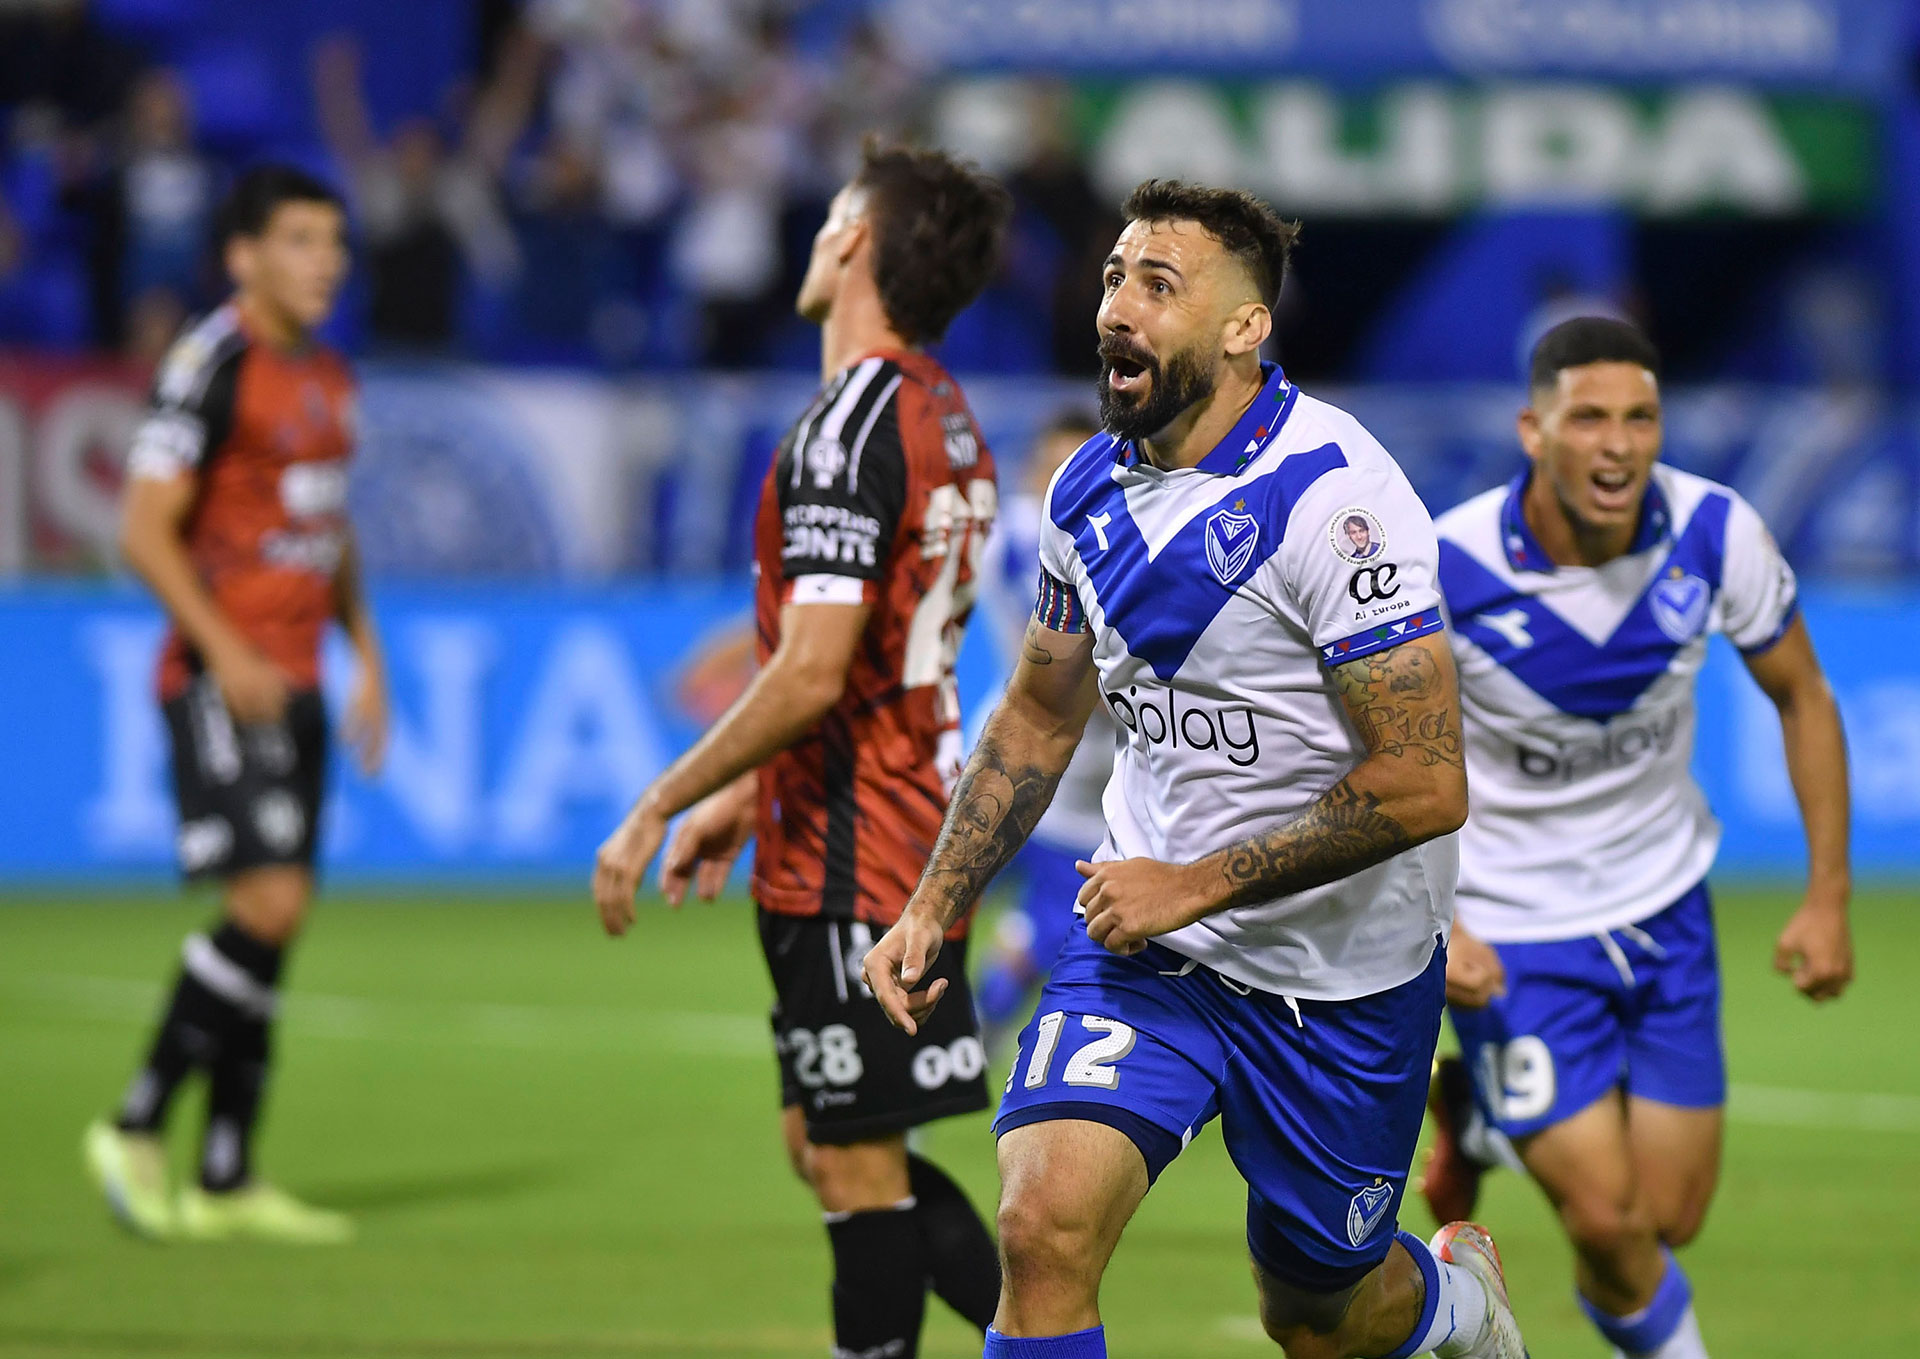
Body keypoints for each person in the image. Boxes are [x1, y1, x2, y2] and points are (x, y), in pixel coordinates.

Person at [864, 179, 1528, 1359]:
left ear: (1243, 327)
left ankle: (1457, 1308)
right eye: (1116, 278)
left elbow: (1427, 782)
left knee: (1320, 1317)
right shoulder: (1086, 491)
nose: (1118, 307)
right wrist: (936, 901)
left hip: (1344, 984)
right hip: (1151, 953)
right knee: (1042, 1227)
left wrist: (1199, 879)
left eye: (1157, 285)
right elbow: (1035, 713)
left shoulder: (1337, 501)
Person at [591, 140, 1012, 1359]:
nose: (818, 233)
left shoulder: (848, 426)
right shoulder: (944, 412)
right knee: (829, 1144)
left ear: (855, 248)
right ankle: (1046, 1337)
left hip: (856, 846)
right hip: (889, 817)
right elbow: (881, 655)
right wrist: (752, 795)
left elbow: (816, 668)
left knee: (854, 1161)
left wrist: (666, 797)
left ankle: (1049, 1337)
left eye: (834, 215)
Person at [1420, 316, 1853, 1359]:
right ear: (1534, 430)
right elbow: (1376, 761)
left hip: (1665, 914)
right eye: (1590, 419)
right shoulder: (1449, 566)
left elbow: (1802, 695)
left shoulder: (1715, 533)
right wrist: (1441, 927)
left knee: (1667, 1216)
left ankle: (1478, 1114)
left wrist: (1827, 895)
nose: (1617, 445)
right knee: (1611, 1228)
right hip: (1516, 934)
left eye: (1641, 418)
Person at [84, 165, 388, 1244]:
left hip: (300, 678)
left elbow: (330, 529)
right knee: (267, 910)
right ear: (242, 256)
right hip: (226, 677)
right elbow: (141, 529)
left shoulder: (333, 380)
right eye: (301, 240)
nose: (326, 262)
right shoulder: (209, 363)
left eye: (335, 242)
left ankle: (225, 1177)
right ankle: (133, 1123)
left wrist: (371, 659)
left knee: (279, 927)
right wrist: (225, 652)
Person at [972, 409, 1118, 1046]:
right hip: (1061, 759)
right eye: (1057, 469)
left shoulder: (998, 535)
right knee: (1052, 923)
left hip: (1060, 772)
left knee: (1052, 928)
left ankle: (960, 1025)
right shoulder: (1041, 541)